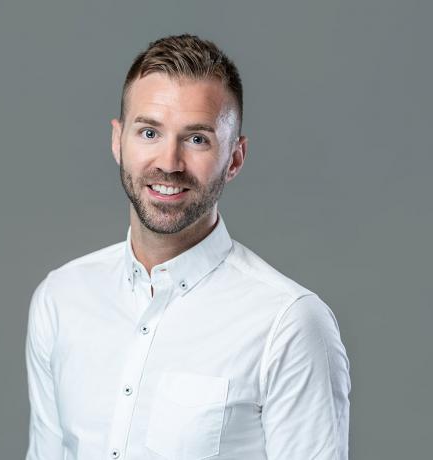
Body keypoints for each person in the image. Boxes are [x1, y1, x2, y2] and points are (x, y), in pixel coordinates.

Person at [25, 33, 351, 460]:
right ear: (118, 141)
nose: (168, 162)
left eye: (197, 139)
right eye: (149, 132)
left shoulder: (288, 324)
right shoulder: (61, 298)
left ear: (235, 158)